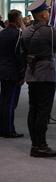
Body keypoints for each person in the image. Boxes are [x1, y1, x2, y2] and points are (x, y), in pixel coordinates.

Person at [21, 0, 56, 157]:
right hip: (46, 74)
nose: (49, 13)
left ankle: (35, 143)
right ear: (42, 14)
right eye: (47, 11)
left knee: (33, 109)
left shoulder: (27, 30)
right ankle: (40, 146)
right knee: (43, 111)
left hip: (32, 73)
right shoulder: (48, 30)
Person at [0, 9, 24, 138]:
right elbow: (19, 56)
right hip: (13, 72)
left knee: (3, 101)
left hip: (3, 70)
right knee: (10, 103)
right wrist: (22, 74)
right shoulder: (17, 35)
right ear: (17, 19)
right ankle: (8, 130)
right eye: (21, 18)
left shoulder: (2, 33)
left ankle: (2, 128)